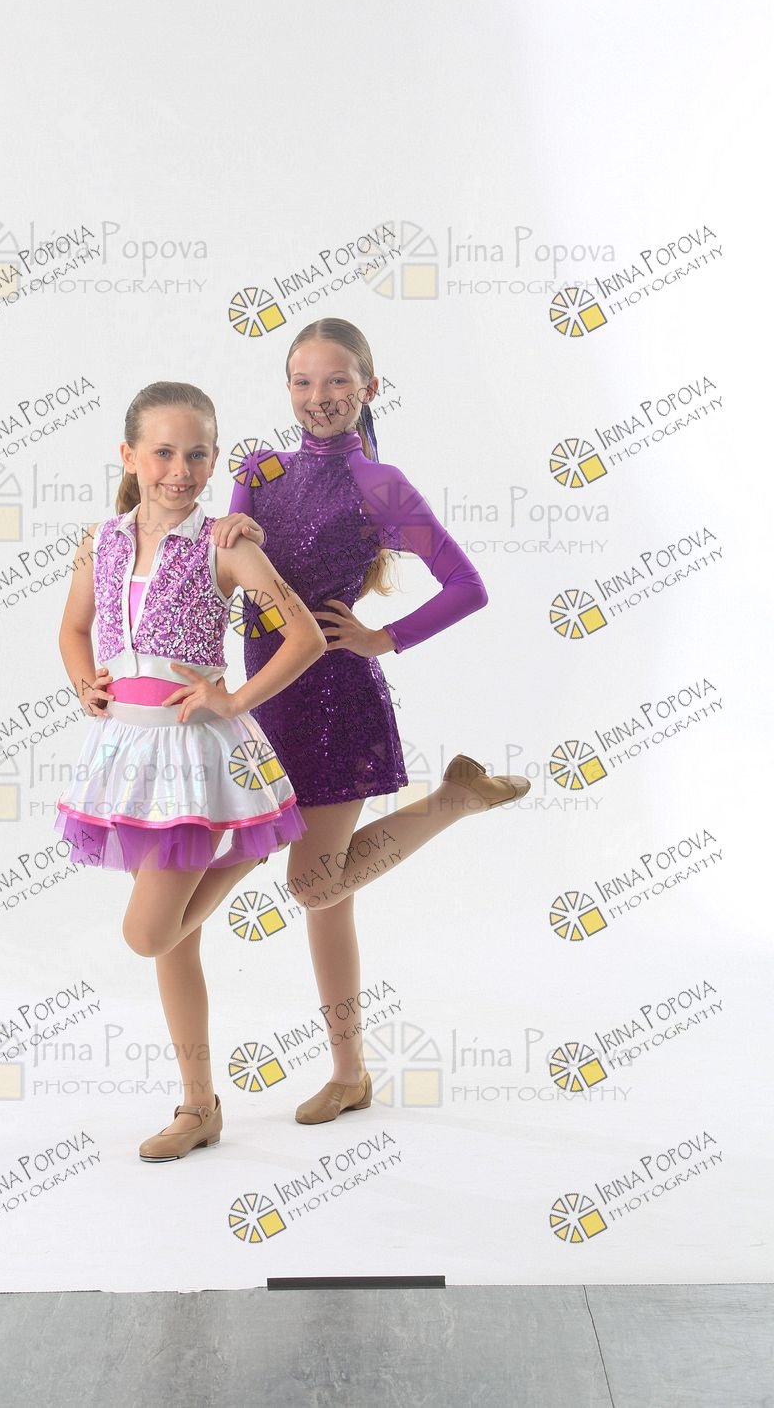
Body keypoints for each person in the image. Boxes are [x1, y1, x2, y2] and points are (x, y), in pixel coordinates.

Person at [212, 317, 530, 1126]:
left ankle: (450, 802)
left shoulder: (381, 485)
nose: (318, 397)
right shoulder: (258, 469)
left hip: (338, 702)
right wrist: (226, 532)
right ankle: (350, 1074)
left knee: (315, 885)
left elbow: (467, 585)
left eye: (336, 381)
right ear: (287, 387)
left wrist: (385, 637)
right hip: (264, 698)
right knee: (326, 894)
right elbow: (229, 576)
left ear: (368, 388)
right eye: (303, 381)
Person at [54, 381, 326, 1161]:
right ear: (129, 455)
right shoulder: (100, 542)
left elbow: (305, 636)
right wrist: (85, 683)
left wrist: (232, 697)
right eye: (164, 452)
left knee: (147, 933)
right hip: (128, 758)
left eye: (197, 454)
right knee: (176, 944)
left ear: (214, 459)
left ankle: (243, 849)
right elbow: (74, 629)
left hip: (199, 758)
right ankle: (198, 1107)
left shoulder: (225, 544)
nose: (180, 469)